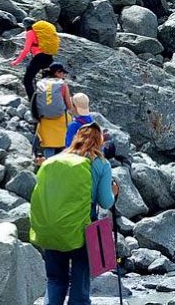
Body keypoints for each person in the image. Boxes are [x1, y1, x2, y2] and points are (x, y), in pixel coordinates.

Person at [30, 123, 119, 305]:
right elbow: (105, 202)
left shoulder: (56, 160)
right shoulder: (100, 163)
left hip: (52, 228)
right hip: (82, 231)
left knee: (55, 281)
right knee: (79, 288)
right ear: (99, 141)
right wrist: (114, 193)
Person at [34, 63, 75, 162]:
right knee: (62, 147)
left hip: (44, 120)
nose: (64, 75)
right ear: (57, 73)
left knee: (48, 147)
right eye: (63, 73)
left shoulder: (41, 83)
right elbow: (69, 106)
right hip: (61, 120)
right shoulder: (62, 84)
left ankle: (46, 165)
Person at [11, 20, 60, 101]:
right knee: (47, 81)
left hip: (39, 58)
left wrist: (16, 61)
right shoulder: (41, 33)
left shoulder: (30, 32)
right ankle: (49, 100)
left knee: (27, 80)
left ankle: (33, 101)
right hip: (49, 57)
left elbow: (26, 49)